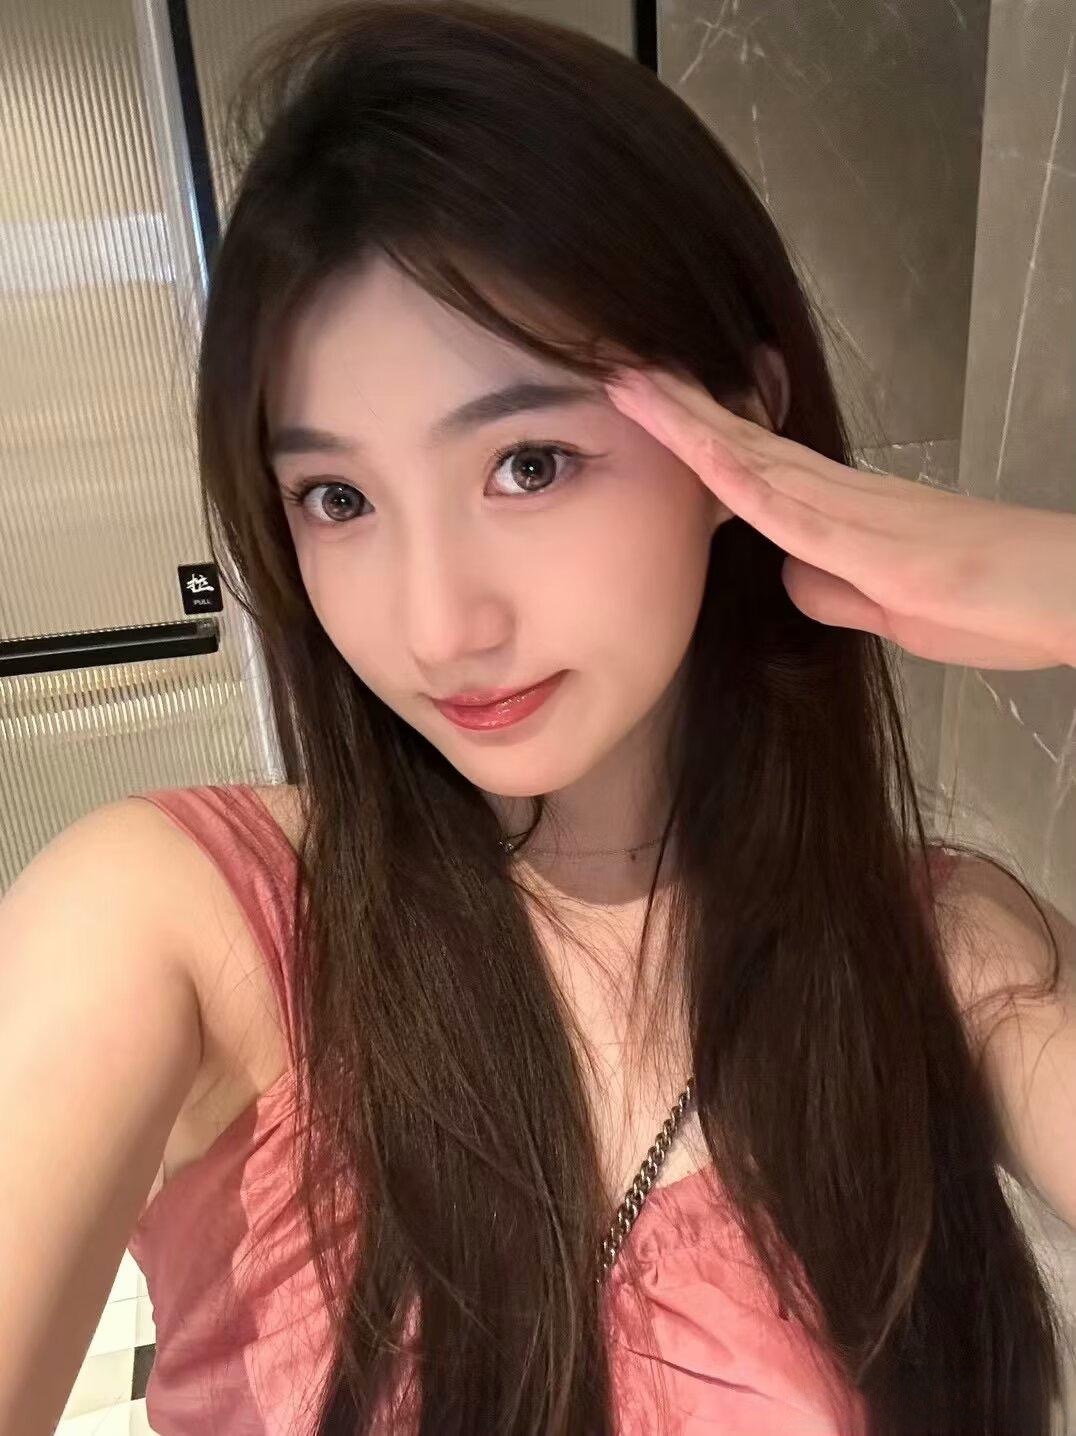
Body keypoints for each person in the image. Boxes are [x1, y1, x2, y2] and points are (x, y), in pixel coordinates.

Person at [1, 3, 1074, 1433]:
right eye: (337, 498)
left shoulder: (941, 955)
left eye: (528, 464)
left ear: (744, 432)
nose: (439, 625)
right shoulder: (179, 925)